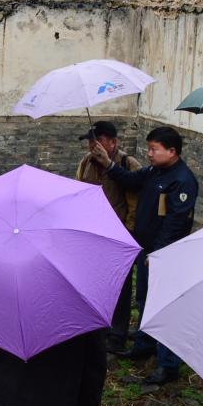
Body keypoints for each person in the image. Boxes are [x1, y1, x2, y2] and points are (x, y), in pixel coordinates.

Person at [95, 125, 198, 385]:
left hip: (164, 254)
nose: (149, 154)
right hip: (146, 248)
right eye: (149, 148)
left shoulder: (182, 181)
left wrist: (158, 252)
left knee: (163, 306)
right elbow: (132, 180)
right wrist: (109, 164)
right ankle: (144, 344)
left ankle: (167, 365)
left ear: (172, 151)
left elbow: (176, 223)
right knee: (143, 299)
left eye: (154, 149)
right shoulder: (155, 171)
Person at [75, 120, 142, 353]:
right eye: (90, 141)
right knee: (96, 284)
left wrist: (128, 233)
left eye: (99, 141)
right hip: (92, 234)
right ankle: (98, 328)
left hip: (118, 235)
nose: (93, 146)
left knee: (120, 288)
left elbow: (134, 202)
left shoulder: (127, 164)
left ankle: (117, 336)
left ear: (113, 142)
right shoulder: (86, 163)